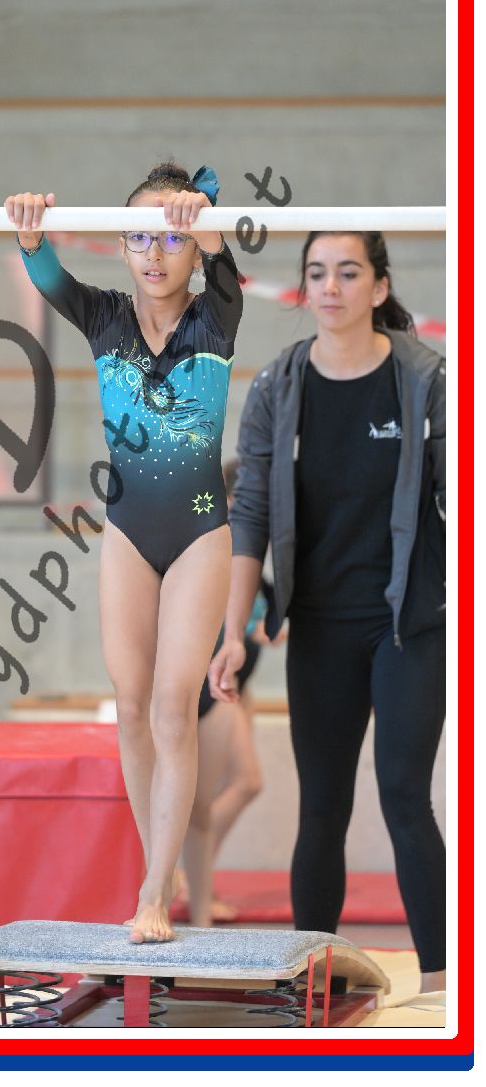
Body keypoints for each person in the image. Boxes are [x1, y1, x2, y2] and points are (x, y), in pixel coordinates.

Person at [6, 161, 243, 942]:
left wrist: (205, 222)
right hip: (128, 535)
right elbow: (49, 277)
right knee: (133, 703)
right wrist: (31, 234)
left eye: (171, 239)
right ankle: (160, 863)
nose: (155, 253)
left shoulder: (216, 317)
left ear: (193, 247)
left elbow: (226, 268)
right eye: (140, 237)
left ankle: (153, 893)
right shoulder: (104, 317)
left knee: (174, 706)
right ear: (121, 245)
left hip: (201, 534)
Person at [209, 231, 446, 992]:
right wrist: (233, 634)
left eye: (348, 273)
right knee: (322, 808)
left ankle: (443, 985)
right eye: (317, 274)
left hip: (407, 623)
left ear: (379, 288)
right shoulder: (279, 386)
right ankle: (315, 981)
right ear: (304, 289)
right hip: (318, 625)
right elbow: (248, 512)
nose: (331, 288)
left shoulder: (425, 380)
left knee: (404, 795)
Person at [174, 459, 285, 929]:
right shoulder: (212, 551)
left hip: (239, 682)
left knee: (242, 783)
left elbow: (269, 622)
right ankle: (183, 874)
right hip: (216, 683)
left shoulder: (252, 566)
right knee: (218, 794)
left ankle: (194, 876)